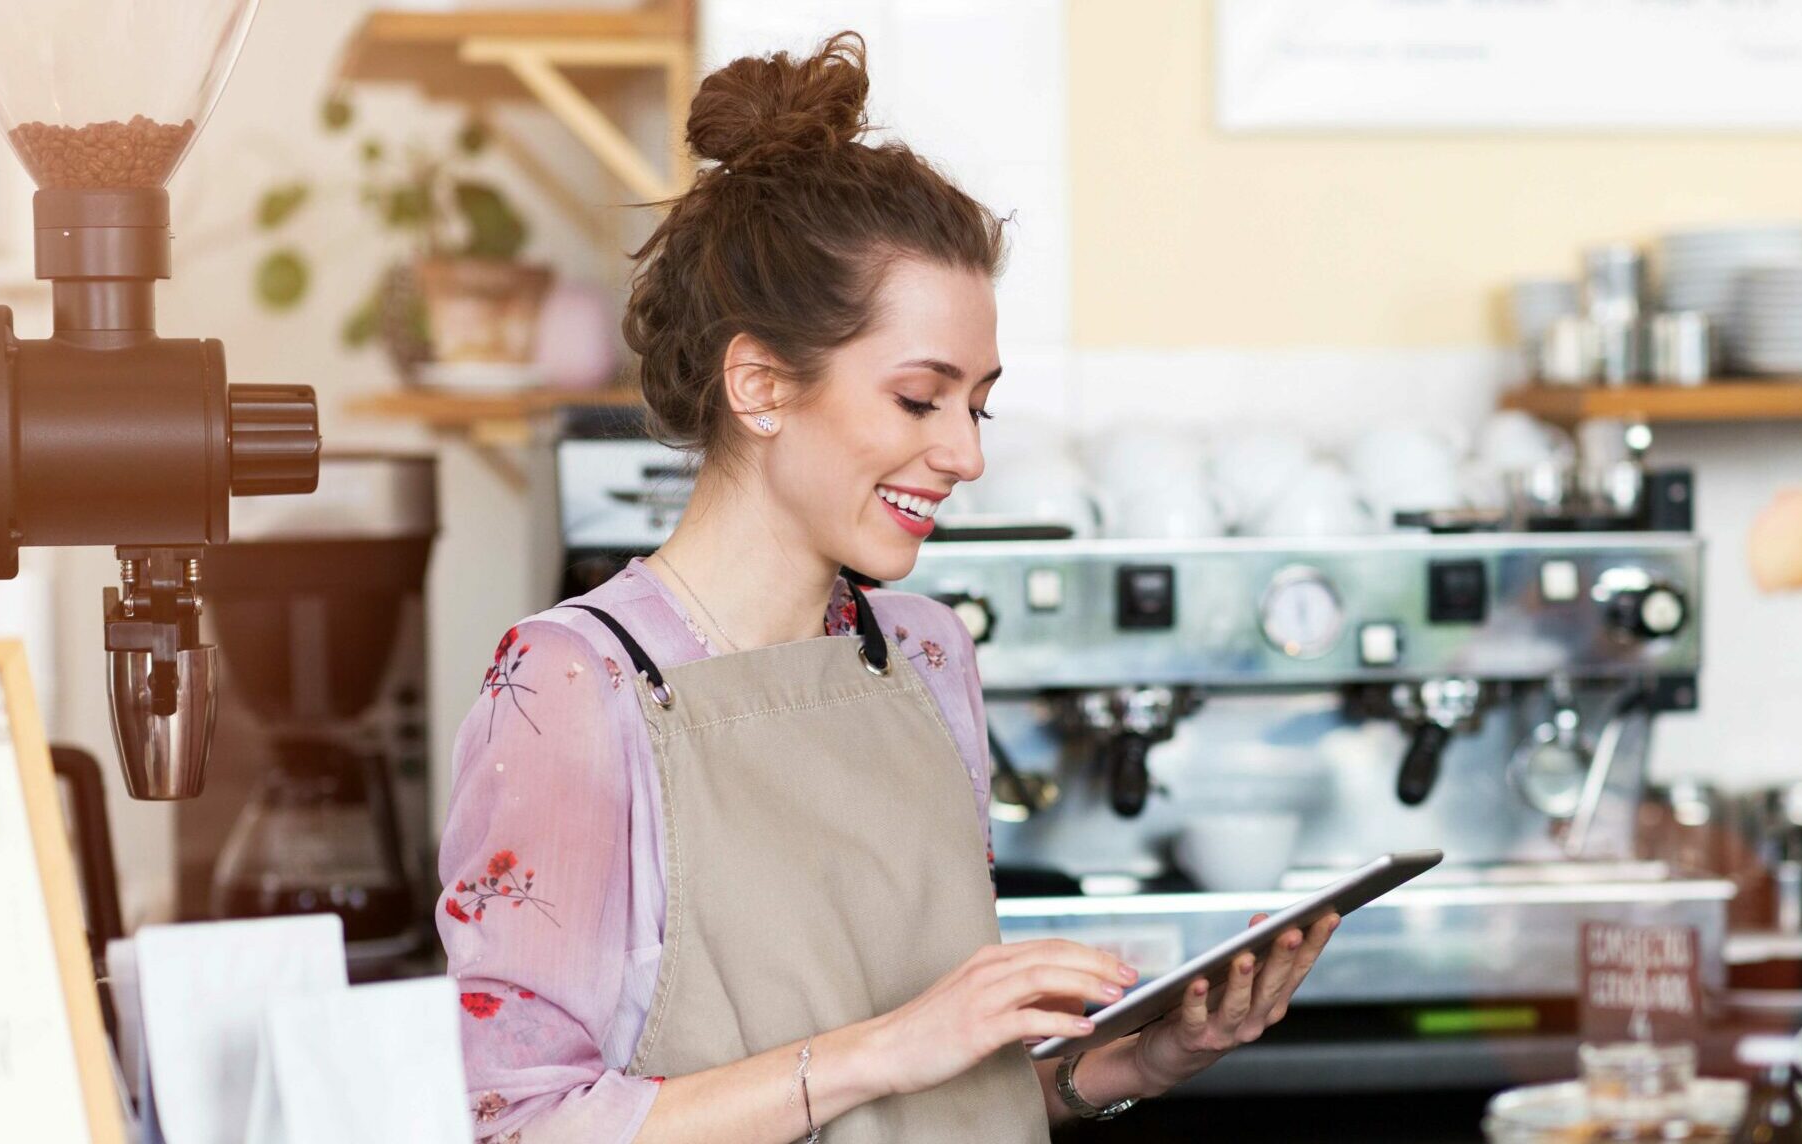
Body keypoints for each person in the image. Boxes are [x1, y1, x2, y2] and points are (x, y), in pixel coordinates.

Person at [436, 32, 1338, 1143]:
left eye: (980, 405)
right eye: (921, 400)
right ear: (761, 384)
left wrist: (1133, 1062)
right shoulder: (575, 683)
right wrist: (887, 1045)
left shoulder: (921, 653)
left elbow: (945, 1096)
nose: (965, 454)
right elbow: (515, 1126)